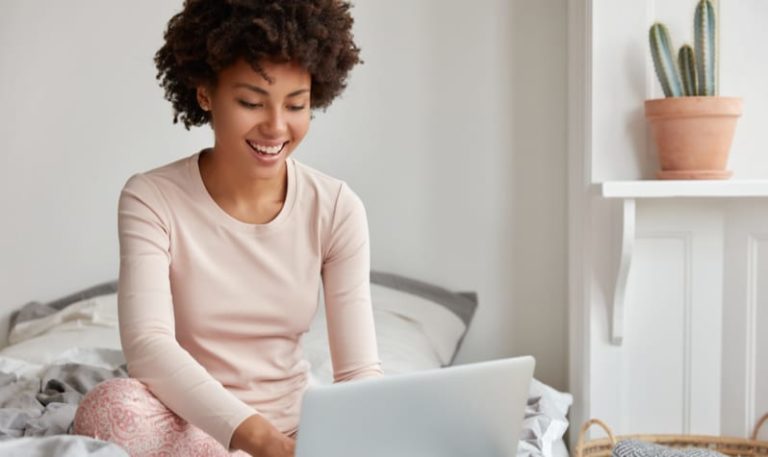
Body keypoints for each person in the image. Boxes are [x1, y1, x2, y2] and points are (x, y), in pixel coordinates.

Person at [73, 1, 383, 456]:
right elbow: (147, 345)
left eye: (296, 105)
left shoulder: (336, 207)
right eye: (251, 102)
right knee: (111, 410)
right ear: (205, 93)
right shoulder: (151, 198)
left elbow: (358, 374)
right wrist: (257, 440)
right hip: (190, 426)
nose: (277, 127)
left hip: (297, 432)